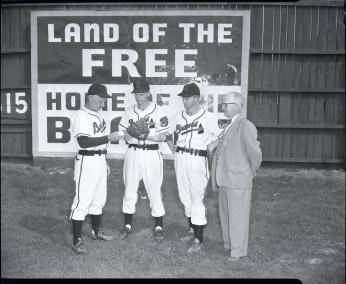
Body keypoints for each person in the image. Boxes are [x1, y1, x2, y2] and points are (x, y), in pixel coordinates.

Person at [70, 83, 123, 254]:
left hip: (99, 160)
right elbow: (83, 142)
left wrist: (105, 160)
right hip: (86, 160)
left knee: (99, 199)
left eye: (103, 100)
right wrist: (108, 137)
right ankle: (77, 240)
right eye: (100, 99)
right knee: (82, 200)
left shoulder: (99, 116)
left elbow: (101, 142)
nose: (103, 103)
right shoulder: (81, 115)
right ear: (91, 96)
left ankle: (95, 231)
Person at [169, 82, 222, 253]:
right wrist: (172, 147)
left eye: (189, 97)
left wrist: (214, 143)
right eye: (184, 97)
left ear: (197, 98)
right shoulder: (178, 116)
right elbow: (165, 132)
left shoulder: (209, 117)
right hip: (181, 157)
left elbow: (224, 134)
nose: (185, 100)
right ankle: (192, 230)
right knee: (185, 196)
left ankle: (199, 239)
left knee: (197, 197)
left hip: (198, 158)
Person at [210, 91, 262, 261]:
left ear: (236, 106)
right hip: (225, 178)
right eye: (223, 104)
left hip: (237, 180)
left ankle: (237, 251)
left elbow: (255, 154)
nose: (223, 106)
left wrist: (250, 173)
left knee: (237, 217)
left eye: (225, 104)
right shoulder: (231, 124)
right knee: (225, 215)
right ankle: (229, 244)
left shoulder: (245, 125)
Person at [118, 77, 168, 242]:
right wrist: (128, 134)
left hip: (152, 153)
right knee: (129, 188)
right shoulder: (129, 111)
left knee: (154, 189)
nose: (138, 97)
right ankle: (127, 225)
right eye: (136, 94)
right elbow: (122, 134)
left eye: (141, 94)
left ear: (148, 93)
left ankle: (159, 226)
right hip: (133, 152)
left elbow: (163, 136)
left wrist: (148, 135)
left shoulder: (158, 110)